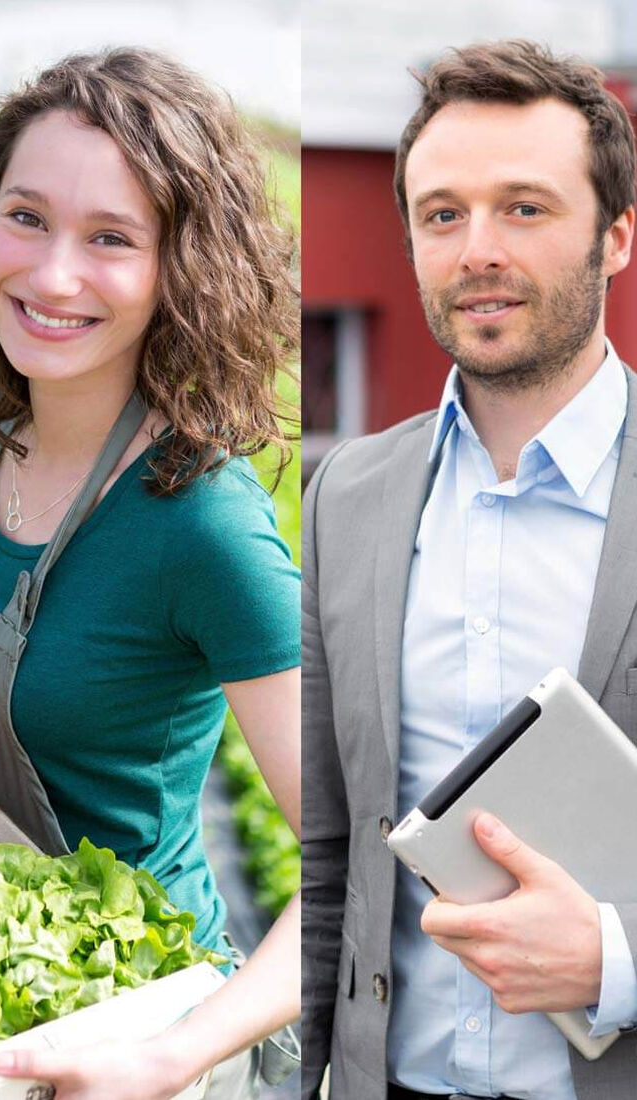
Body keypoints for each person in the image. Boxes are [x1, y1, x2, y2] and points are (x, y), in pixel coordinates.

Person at [0, 48, 303, 1099]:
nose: (52, 274)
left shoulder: (202, 524)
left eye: (111, 238)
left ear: (182, 269)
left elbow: (360, 855)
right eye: (26, 217)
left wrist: (163, 1058)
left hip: (134, 1025)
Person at [300, 40, 637, 1100]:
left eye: (524, 208)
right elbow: (323, 855)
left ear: (616, 237)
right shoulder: (346, 497)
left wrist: (616, 963)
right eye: (443, 214)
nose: (477, 250)